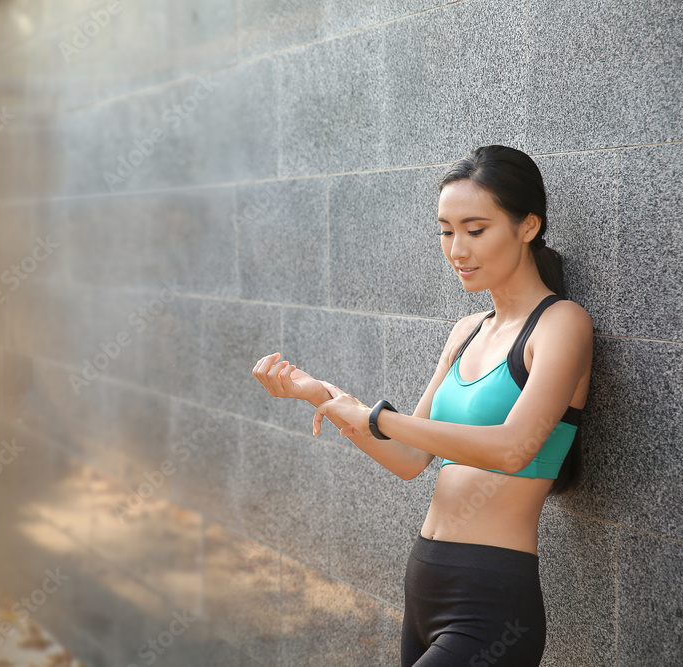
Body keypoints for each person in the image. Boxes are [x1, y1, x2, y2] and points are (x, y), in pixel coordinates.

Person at [251, 145, 593, 666]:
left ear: (527, 227)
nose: (458, 249)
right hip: (425, 582)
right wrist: (321, 396)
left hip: (491, 600)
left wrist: (378, 418)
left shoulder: (562, 324)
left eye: (476, 230)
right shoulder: (466, 331)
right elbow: (411, 460)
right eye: (446, 230)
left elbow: (512, 450)